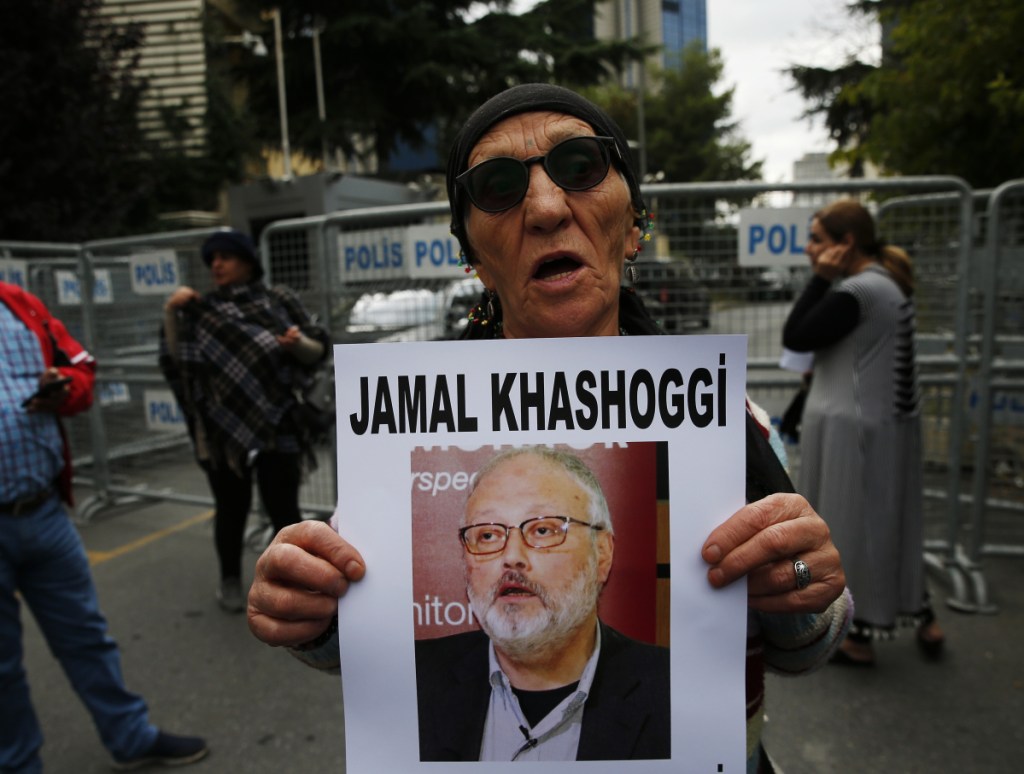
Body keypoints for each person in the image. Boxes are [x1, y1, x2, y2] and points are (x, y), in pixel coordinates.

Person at [247, 84, 852, 773]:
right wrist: (313, 612)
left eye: (581, 166)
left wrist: (802, 594)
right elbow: (367, 634)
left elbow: (806, 642)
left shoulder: (735, 426)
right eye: (498, 186)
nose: (544, 207)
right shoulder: (403, 429)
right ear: (472, 258)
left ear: (633, 227)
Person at [0, 281, 208, 771]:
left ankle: (131, 736)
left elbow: (81, 367)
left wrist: (65, 389)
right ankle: (18, 763)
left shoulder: (18, 303)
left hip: (44, 510)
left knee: (87, 636)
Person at [416, 447, 668, 761]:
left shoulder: (673, 689)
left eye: (543, 530)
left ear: (602, 553)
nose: (511, 557)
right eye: (488, 535)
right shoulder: (412, 679)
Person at [782, 199, 944, 665]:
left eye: (817, 239)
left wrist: (819, 280)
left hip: (851, 430)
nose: (809, 249)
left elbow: (797, 334)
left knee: (848, 526)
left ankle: (855, 632)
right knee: (882, 521)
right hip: (873, 424)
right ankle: (914, 612)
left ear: (845, 243)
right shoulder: (884, 285)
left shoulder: (859, 290)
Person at [159, 230, 331, 613]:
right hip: (223, 431)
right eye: (212, 259)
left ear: (249, 262)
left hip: (280, 422)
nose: (216, 265)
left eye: (226, 257)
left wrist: (296, 343)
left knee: (284, 510)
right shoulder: (200, 310)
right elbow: (176, 359)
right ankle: (231, 579)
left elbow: (317, 352)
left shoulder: (279, 301)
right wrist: (171, 312)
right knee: (231, 508)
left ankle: (297, 583)